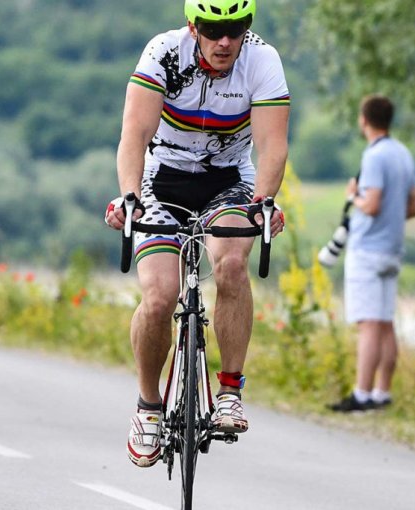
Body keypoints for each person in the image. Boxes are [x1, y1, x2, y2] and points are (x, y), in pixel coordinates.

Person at [104, 0, 289, 467]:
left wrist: (264, 202)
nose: (225, 41)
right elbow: (134, 136)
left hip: (229, 181)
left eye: (236, 28)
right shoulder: (163, 52)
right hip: (161, 179)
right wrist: (129, 198)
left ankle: (229, 392)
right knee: (159, 297)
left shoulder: (262, 60)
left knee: (231, 264)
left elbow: (271, 145)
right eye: (212, 29)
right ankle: (148, 406)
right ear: (193, 27)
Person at [329, 95, 415, 413]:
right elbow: (412, 207)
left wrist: (354, 196)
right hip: (392, 249)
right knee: (385, 322)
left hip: (367, 250)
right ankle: (382, 393)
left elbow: (372, 204)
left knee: (368, 325)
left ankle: (362, 395)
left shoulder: (374, 156)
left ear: (364, 120)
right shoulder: (403, 153)